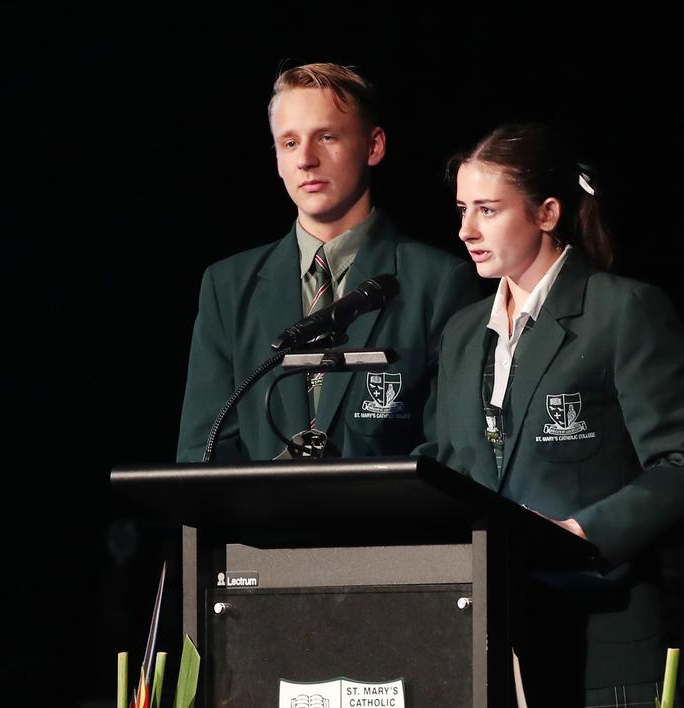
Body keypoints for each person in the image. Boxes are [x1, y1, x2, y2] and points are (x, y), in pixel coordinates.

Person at [422, 123, 684, 708]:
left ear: (547, 212)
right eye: (462, 209)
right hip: (490, 649)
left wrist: (580, 535)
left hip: (601, 641)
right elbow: (447, 466)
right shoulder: (461, 334)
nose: (466, 231)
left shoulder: (624, 311)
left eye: (488, 209)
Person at [176, 63, 482, 462]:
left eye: (327, 137)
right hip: (264, 524)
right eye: (289, 143)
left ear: (374, 146)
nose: (306, 159)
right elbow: (204, 450)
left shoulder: (439, 282)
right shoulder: (228, 286)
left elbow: (450, 450)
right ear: (277, 161)